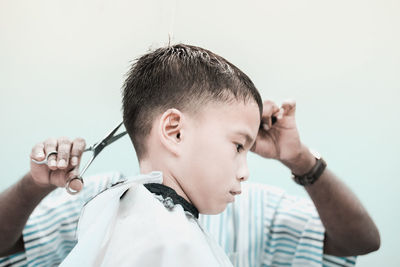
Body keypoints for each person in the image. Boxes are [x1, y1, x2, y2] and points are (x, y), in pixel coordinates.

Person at [0, 44, 380, 266]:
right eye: (237, 146)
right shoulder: (149, 229)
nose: (245, 173)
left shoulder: (110, 208)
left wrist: (299, 157)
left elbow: (361, 242)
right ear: (175, 131)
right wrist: (36, 184)